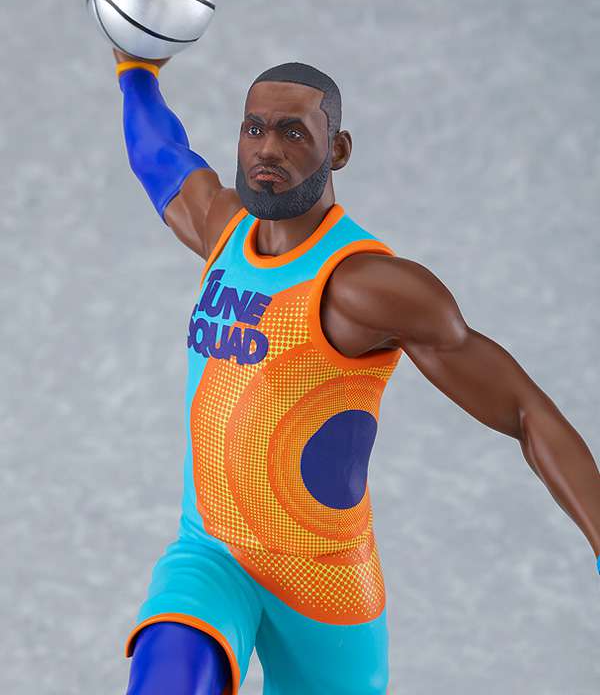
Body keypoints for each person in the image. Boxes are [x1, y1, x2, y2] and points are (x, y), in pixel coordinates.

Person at [113, 49, 600, 695]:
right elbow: (160, 156)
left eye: (293, 133)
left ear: (337, 150)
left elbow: (523, 410)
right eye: (255, 128)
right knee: (167, 676)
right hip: (212, 554)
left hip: (326, 585)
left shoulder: (368, 286)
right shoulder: (221, 230)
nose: (267, 149)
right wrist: (135, 70)